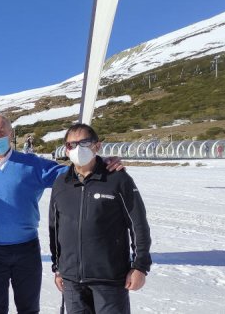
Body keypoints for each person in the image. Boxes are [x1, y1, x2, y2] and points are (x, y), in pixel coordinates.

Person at [0, 115, 122, 314]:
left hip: (26, 251)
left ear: (11, 134)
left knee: (29, 309)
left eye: (1, 132)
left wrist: (101, 162)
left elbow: (73, 172)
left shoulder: (32, 165)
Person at [49, 123, 151, 314]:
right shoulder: (61, 183)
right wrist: (58, 267)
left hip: (109, 279)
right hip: (71, 281)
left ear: (97, 146)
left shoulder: (117, 179)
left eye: (84, 142)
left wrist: (140, 266)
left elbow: (138, 225)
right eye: (71, 145)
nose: (77, 149)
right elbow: (55, 228)